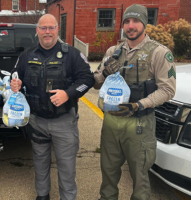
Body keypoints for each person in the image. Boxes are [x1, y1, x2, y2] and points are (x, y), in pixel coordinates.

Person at [93, 4, 176, 200]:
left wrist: (140, 104)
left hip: (140, 124)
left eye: (136, 21)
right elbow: (96, 83)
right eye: (127, 21)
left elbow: (167, 90)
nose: (131, 26)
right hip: (112, 122)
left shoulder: (159, 53)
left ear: (145, 23)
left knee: (139, 175)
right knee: (108, 171)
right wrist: (105, 72)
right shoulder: (113, 51)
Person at [10, 14, 95, 200]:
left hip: (63, 121)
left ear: (57, 29)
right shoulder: (27, 55)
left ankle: (68, 197)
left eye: (51, 28)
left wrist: (68, 94)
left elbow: (88, 79)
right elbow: (15, 74)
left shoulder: (72, 54)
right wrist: (14, 83)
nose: (47, 32)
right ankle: (42, 195)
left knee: (66, 166)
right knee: (40, 162)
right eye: (43, 28)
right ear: (37, 31)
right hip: (37, 120)